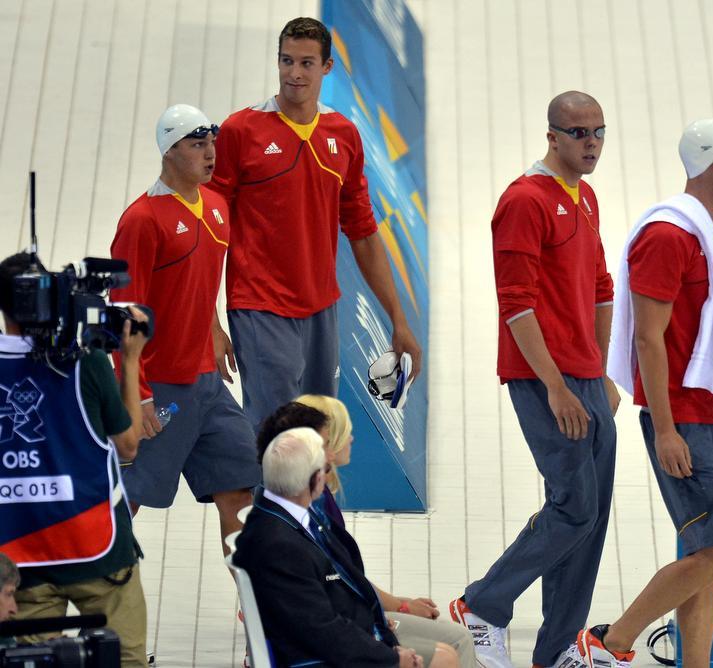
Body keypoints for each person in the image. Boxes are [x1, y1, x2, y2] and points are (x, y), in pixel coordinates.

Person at [567, 119, 713, 668]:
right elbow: (647, 339)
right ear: (702, 165)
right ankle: (609, 642)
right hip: (682, 417)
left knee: (710, 555)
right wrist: (663, 428)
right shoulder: (667, 236)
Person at [447, 91, 619, 668]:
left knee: (590, 518)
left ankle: (556, 651)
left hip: (585, 374)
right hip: (543, 375)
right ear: (552, 136)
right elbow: (514, 303)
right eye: (578, 133)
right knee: (572, 506)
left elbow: (600, 286)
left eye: (598, 131)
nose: (590, 142)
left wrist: (601, 369)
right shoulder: (524, 201)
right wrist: (556, 385)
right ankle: (484, 606)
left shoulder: (586, 197)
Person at [210, 16, 421, 430]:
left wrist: (398, 319)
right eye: (286, 61)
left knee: (319, 432)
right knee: (279, 436)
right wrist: (210, 324)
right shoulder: (241, 131)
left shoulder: (343, 135)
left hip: (321, 309)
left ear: (327, 67)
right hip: (259, 306)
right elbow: (211, 233)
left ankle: (310, 498)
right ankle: (272, 498)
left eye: (306, 63)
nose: (294, 73)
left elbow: (363, 233)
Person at [110, 103, 259, 558]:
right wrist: (140, 394)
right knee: (125, 502)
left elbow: (199, 279)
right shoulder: (142, 221)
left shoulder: (215, 207)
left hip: (209, 388)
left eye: (211, 143)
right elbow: (122, 314)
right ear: (168, 152)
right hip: (163, 388)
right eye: (197, 145)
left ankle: (256, 604)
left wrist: (212, 328)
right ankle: (85, 582)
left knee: (240, 488)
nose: (210, 153)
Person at [0, 253, 149, 667]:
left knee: (30, 662)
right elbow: (128, 446)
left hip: (21, 558)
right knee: (124, 659)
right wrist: (131, 360)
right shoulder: (85, 360)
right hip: (97, 550)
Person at [257, 398, 475, 668]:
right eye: (325, 445)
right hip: (332, 649)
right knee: (448, 652)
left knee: (452, 645)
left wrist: (388, 614)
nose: (347, 442)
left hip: (351, 628)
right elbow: (321, 623)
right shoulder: (289, 536)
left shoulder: (301, 514)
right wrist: (388, 647)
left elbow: (340, 584)